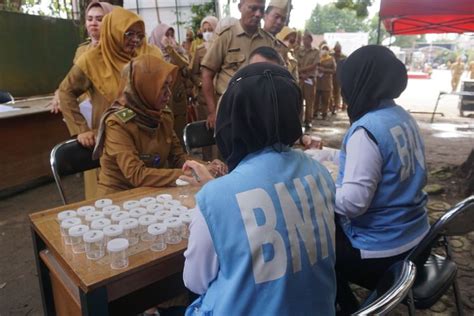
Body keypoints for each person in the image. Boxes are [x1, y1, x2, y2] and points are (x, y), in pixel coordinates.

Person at [181, 63, 336, 315]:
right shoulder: (319, 173)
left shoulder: (214, 198)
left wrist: (216, 191)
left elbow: (195, 281)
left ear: (232, 118)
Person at [334, 45, 430, 313]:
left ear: (359, 82)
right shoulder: (402, 117)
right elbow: (382, 162)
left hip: (384, 254)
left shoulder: (366, 131)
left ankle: (354, 309)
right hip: (418, 242)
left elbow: (353, 204)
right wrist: (329, 157)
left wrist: (319, 187)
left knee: (318, 251)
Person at [59, 7, 163, 199]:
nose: (135, 40)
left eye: (139, 35)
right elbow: (65, 92)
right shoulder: (91, 60)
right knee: (116, 202)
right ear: (114, 32)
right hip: (112, 145)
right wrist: (81, 128)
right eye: (129, 34)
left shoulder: (144, 57)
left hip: (145, 141)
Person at [92, 54, 186, 196]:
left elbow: (178, 157)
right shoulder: (117, 124)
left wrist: (206, 167)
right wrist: (188, 174)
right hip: (118, 197)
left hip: (153, 191)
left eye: (169, 85)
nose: (169, 94)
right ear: (145, 87)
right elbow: (136, 174)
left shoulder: (162, 115)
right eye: (162, 87)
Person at [200, 0, 277, 129]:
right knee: (228, 148)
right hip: (229, 110)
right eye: (253, 8)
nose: (258, 14)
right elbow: (207, 74)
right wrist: (213, 112)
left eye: (261, 9)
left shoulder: (268, 41)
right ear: (240, 7)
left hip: (259, 111)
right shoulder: (226, 37)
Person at [49, 1, 114, 114]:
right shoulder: (81, 50)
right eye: (89, 19)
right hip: (84, 111)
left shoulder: (118, 50)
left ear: (111, 22)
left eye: (99, 19)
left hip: (110, 111)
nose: (93, 23)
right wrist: (59, 92)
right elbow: (73, 80)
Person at [149, 23, 191, 144]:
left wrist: (171, 50)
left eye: (172, 35)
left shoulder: (177, 50)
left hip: (177, 98)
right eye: (166, 35)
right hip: (160, 100)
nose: (169, 38)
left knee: (178, 132)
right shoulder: (153, 53)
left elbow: (184, 64)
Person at [188, 16, 219, 161]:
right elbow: (192, 72)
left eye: (210, 30)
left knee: (220, 134)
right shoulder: (199, 50)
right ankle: (208, 164)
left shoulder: (221, 46)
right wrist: (201, 83)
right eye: (205, 30)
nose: (207, 33)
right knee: (206, 133)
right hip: (203, 99)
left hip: (219, 97)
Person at [295, 31, 319, 129]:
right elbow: (295, 63)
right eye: (303, 39)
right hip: (300, 79)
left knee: (309, 101)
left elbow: (314, 65)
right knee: (299, 101)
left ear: (311, 40)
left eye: (307, 39)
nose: (304, 41)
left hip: (310, 79)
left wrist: (303, 72)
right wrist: (300, 73)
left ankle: (308, 121)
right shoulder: (298, 50)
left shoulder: (316, 51)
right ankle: (299, 121)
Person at [314, 44, 336, 119]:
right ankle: (314, 113)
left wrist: (324, 70)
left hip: (326, 82)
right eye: (323, 49)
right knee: (315, 99)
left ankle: (324, 113)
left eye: (326, 49)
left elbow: (334, 70)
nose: (324, 50)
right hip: (317, 81)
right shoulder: (317, 58)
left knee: (325, 99)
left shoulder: (331, 59)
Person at [331, 42, 346, 112]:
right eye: (336, 50)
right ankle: (333, 106)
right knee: (333, 92)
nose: (337, 52)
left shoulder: (344, 57)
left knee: (341, 91)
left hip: (342, 76)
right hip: (332, 76)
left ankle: (342, 105)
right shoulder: (331, 56)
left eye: (339, 50)